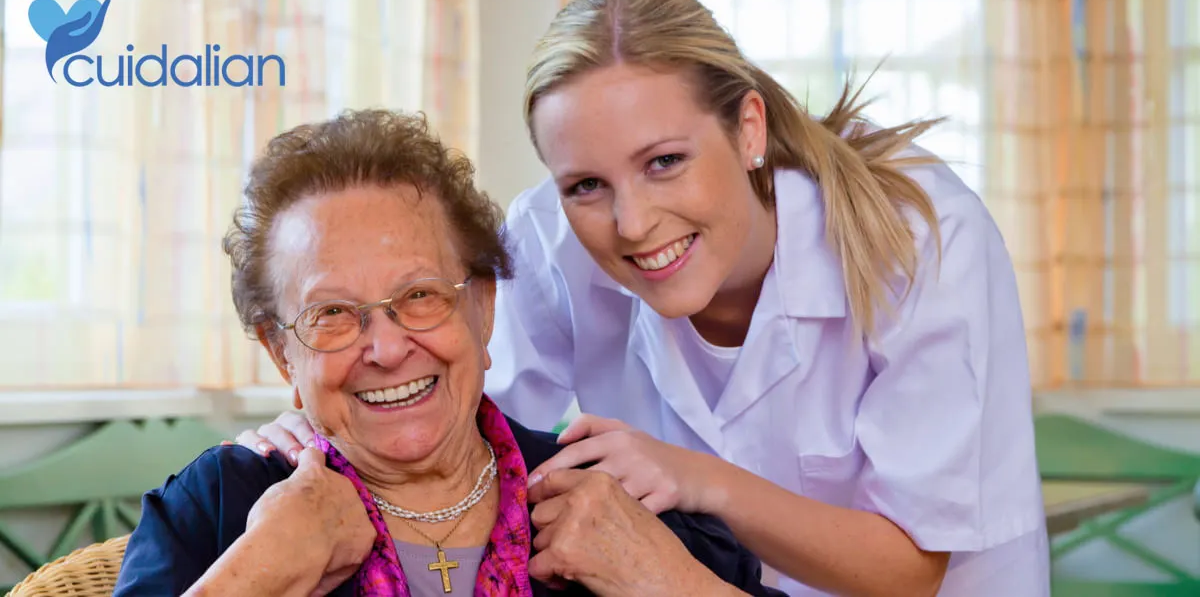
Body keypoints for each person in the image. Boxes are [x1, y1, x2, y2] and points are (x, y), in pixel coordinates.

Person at [236, 0, 1050, 596]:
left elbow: (910, 569)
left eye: (665, 162)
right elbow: (462, 421)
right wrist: (321, 416)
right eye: (585, 184)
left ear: (749, 126)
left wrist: (697, 477)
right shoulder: (550, 243)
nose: (630, 222)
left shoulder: (918, 235)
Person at [113, 109, 785, 597]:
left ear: (483, 307)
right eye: (332, 314)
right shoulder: (222, 509)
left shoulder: (611, 497)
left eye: (421, 295)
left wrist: (666, 581)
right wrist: (262, 570)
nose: (386, 346)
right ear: (282, 352)